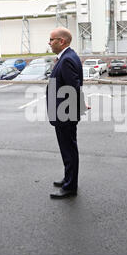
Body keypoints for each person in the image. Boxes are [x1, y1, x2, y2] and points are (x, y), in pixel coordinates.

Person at [47, 27, 84, 199]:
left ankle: (70, 186)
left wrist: (77, 105)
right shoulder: (68, 57)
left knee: (69, 150)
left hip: (65, 113)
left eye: (52, 39)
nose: (49, 42)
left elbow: (73, 87)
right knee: (67, 149)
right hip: (65, 112)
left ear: (62, 41)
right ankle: (68, 179)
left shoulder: (67, 59)